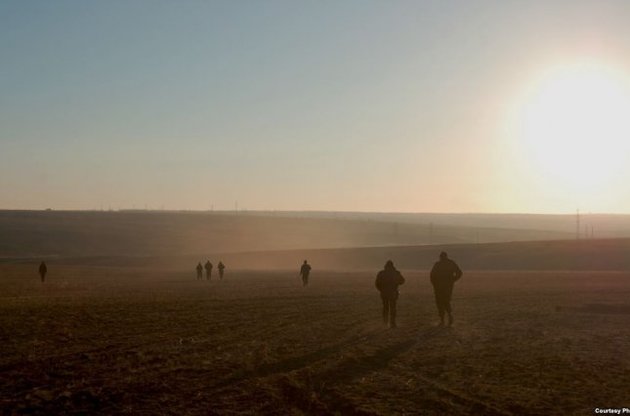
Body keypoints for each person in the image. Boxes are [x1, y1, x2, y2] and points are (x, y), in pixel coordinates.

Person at [430, 251, 463, 326]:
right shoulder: (450, 263)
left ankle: (443, 319)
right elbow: (459, 273)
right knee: (445, 301)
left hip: (440, 287)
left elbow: (432, 276)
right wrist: (453, 280)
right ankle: (448, 316)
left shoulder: (438, 264)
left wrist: (435, 284)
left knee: (440, 302)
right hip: (446, 286)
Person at [375, 260, 405, 328]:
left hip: (384, 293)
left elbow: (377, 283)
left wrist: (381, 290)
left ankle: (385, 323)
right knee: (393, 308)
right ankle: (392, 323)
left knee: (385, 308)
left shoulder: (381, 273)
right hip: (393, 293)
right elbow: (402, 281)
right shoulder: (396, 273)